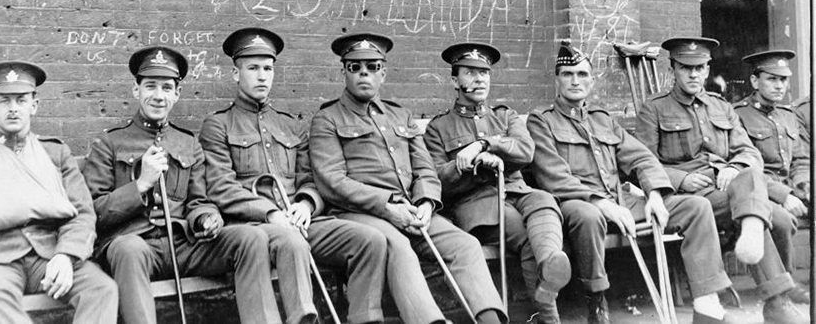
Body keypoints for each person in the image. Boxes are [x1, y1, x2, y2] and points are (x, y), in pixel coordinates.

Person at [528, 42, 737, 324]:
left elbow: (642, 158)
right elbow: (553, 176)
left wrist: (654, 195)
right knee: (588, 216)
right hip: (576, 203)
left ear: (591, 80)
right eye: (567, 74)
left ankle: (706, 304)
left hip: (622, 200)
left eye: (582, 74)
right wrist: (603, 204)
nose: (575, 81)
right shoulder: (542, 122)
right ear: (557, 79)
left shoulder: (603, 120)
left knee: (697, 207)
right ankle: (596, 298)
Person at [309, 33, 507, 324]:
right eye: (355, 67)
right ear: (343, 72)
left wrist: (426, 202)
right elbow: (332, 180)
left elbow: (424, 167)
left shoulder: (401, 115)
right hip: (361, 214)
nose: (365, 73)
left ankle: (491, 320)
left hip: (413, 211)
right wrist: (387, 206)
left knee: (464, 245)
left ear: (384, 72)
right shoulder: (327, 119)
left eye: (373, 66)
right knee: (398, 247)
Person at [81, 46, 282, 324]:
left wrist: (206, 219)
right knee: (128, 249)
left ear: (177, 94)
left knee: (251, 238)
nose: (159, 96)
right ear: (135, 90)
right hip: (134, 244)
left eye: (167, 88)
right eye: (150, 86)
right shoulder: (109, 144)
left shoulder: (188, 143)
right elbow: (94, 213)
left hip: (182, 245)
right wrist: (140, 185)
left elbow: (199, 201)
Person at [199, 27, 388, 324]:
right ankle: (304, 319)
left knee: (370, 240)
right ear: (236, 74)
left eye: (267, 68)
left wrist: (305, 204)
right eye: (253, 68)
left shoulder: (289, 124)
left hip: (300, 222)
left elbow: (310, 179)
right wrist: (272, 213)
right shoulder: (218, 125)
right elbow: (221, 187)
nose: (262, 76)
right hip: (256, 227)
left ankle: (364, 318)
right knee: (292, 243)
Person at [635, 37, 808, 324]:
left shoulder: (721, 107)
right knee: (763, 210)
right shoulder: (654, 109)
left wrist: (733, 166)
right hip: (690, 196)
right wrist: (681, 178)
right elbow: (643, 163)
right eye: (685, 68)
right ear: (673, 69)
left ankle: (755, 234)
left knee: (764, 196)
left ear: (707, 70)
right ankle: (776, 302)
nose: (693, 74)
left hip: (726, 190)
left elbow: (748, 152)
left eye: (700, 68)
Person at [0, 61, 118, 324]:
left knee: (102, 289)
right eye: (4, 100)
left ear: (34, 106)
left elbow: (82, 213)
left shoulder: (55, 153)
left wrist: (66, 254)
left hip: (49, 252)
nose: (13, 108)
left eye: (21, 100)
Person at [422, 42, 569, 324]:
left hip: (517, 190)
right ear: (455, 80)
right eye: (470, 72)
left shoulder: (505, 116)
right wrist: (471, 166)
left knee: (545, 202)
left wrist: (484, 144)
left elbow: (525, 151)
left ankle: (551, 262)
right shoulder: (439, 128)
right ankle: (549, 317)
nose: (479, 79)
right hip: (479, 207)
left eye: (485, 73)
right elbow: (436, 179)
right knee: (526, 239)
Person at [733, 50, 809, 304]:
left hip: (790, 188)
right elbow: (746, 167)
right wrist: (783, 194)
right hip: (760, 192)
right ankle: (785, 284)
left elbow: (799, 159)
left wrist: (804, 184)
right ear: (755, 81)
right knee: (782, 220)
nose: (780, 86)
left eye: (784, 80)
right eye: (772, 79)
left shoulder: (787, 115)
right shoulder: (738, 116)